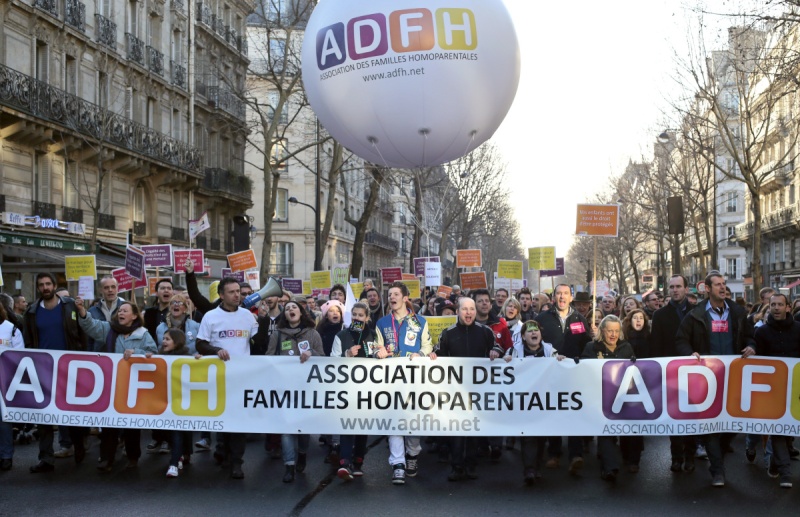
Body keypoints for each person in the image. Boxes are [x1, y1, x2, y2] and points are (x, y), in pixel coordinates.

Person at [675, 272, 748, 488]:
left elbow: (750, 336)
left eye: (724, 284)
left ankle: (718, 457)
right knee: (710, 424)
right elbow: (681, 340)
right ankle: (718, 470)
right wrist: (689, 353)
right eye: (717, 285)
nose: (723, 288)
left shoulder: (738, 313)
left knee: (732, 424)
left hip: (733, 376)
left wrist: (751, 345)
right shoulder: (695, 315)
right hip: (707, 378)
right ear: (707, 289)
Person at [75, 297, 157, 471]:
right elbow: (91, 326)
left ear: (134, 316)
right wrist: (82, 311)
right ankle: (106, 459)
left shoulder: (143, 334)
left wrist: (137, 352)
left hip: (133, 387)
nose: (121, 312)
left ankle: (133, 457)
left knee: (131, 426)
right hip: (112, 384)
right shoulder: (110, 330)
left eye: (125, 310)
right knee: (109, 424)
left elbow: (153, 353)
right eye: (120, 311)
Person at [195, 277, 266, 479]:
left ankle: (237, 462)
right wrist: (216, 350)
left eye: (238, 291)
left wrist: (261, 319)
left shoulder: (247, 316)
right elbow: (200, 344)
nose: (237, 295)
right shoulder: (211, 316)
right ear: (221, 295)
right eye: (232, 292)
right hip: (219, 376)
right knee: (224, 419)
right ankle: (223, 452)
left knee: (239, 421)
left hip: (242, 377)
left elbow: (258, 342)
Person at [23, 272, 89, 474]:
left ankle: (78, 446)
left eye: (48, 284)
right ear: (38, 288)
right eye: (41, 284)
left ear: (54, 285)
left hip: (70, 368)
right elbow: (28, 340)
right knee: (44, 416)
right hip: (43, 369)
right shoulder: (32, 312)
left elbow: (82, 333)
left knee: (72, 412)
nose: (45, 288)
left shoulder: (69, 306)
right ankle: (46, 458)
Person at [375, 281, 433, 485]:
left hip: (414, 379)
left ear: (405, 298)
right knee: (394, 420)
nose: (392, 297)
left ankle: (412, 456)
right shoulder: (382, 323)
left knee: (413, 420)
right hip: (390, 379)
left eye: (396, 294)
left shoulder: (419, 322)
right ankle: (398, 464)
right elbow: (375, 346)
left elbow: (428, 345)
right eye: (389, 294)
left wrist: (422, 353)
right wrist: (377, 351)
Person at [437, 297, 500, 481]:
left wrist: (496, 352)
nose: (469, 313)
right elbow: (439, 352)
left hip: (478, 390)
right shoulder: (448, 333)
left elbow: (498, 347)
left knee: (472, 430)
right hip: (455, 391)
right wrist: (433, 355)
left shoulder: (485, 331)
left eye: (472, 309)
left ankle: (471, 465)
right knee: (457, 431)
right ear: (458, 311)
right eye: (465, 309)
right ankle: (457, 467)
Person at [534, 284, 592, 474]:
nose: (562, 297)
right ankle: (554, 453)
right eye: (559, 293)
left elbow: (586, 346)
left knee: (574, 412)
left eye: (565, 294)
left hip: (573, 373)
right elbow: (534, 341)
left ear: (570, 297)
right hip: (549, 373)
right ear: (554, 297)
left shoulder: (580, 319)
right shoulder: (542, 319)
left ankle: (575, 454)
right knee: (553, 412)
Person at [266, 300, 324, 483]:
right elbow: (268, 358)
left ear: (301, 312)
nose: (291, 310)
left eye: (294, 307)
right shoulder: (277, 334)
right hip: (285, 387)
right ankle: (289, 465)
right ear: (285, 314)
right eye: (288, 308)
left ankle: (303, 454)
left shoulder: (313, 334)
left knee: (303, 429)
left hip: (307, 388)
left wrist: (312, 354)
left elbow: (323, 358)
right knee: (287, 429)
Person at [504, 320, 564, 484]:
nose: (533, 333)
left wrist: (560, 360)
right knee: (528, 436)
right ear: (523, 336)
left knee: (540, 437)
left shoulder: (549, 350)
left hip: (544, 401)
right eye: (529, 331)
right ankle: (529, 470)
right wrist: (505, 360)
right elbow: (502, 370)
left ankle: (536, 467)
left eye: (536, 330)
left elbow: (560, 367)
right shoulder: (514, 351)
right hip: (523, 402)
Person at [751, 293, 799, 488]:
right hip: (772, 390)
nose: (777, 308)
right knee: (778, 430)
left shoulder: (798, 330)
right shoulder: (761, 332)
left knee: (789, 431)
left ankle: (775, 462)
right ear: (768, 307)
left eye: (780, 304)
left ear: (788, 307)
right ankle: (786, 473)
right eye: (773, 305)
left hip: (795, 387)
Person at [582, 315, 638, 481]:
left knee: (631, 429)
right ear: (602, 331)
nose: (613, 334)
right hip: (601, 398)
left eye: (616, 331)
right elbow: (584, 368)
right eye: (609, 331)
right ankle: (610, 467)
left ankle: (632, 460)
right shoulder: (591, 347)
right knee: (606, 432)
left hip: (624, 397)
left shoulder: (626, 347)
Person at [331, 303, 383, 481]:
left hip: (368, 388)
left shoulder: (374, 335)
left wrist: (381, 354)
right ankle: (344, 463)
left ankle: (358, 461)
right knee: (347, 424)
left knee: (362, 425)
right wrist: (347, 354)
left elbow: (380, 358)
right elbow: (331, 362)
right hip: (347, 388)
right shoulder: (341, 335)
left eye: (361, 315)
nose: (357, 318)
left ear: (367, 318)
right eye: (354, 315)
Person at [649, 274, 695, 472]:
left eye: (678, 286)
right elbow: (656, 346)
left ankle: (690, 456)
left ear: (686, 288)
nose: (675, 290)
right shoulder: (660, 315)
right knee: (674, 416)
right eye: (671, 287)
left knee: (693, 415)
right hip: (670, 372)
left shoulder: (697, 312)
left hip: (694, 371)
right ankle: (676, 456)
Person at [146, 329, 194, 478]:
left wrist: (198, 360)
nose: (163, 342)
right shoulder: (159, 357)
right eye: (164, 339)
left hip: (181, 400)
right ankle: (181, 453)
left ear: (177, 341)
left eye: (168, 339)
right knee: (166, 431)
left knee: (177, 430)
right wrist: (147, 359)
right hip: (163, 400)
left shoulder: (187, 357)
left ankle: (173, 463)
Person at [0, 301, 24, 470]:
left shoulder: (11, 329)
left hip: (4, 381)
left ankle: (6, 456)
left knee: (3, 421)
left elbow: (19, 355)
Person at [88, 276, 126, 351]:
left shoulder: (126, 308)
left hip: (120, 355)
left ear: (117, 288)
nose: (110, 290)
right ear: (100, 290)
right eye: (106, 287)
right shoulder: (92, 312)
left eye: (113, 287)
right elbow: (89, 338)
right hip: (98, 356)